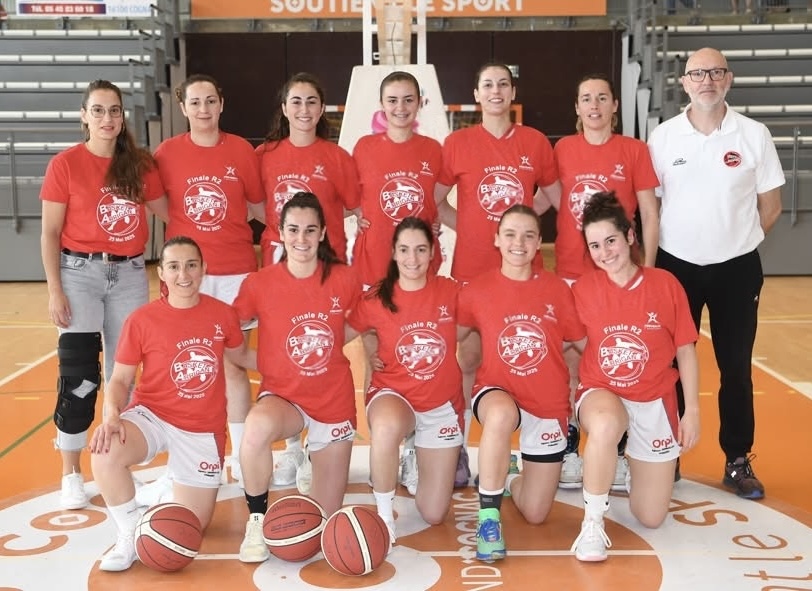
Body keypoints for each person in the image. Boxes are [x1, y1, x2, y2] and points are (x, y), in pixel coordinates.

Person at [648, 47, 784, 500]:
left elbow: (771, 206)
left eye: (715, 72)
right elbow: (652, 208)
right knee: (668, 367)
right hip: (675, 268)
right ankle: (667, 455)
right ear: (684, 83)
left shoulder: (754, 134)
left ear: (729, 79)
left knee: (736, 368)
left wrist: (736, 243)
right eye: (697, 74)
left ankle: (737, 459)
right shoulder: (663, 137)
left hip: (736, 270)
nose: (706, 80)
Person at [40, 79, 168, 511]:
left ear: (122, 116)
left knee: (123, 376)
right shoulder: (65, 164)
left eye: (114, 110)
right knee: (79, 376)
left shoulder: (139, 165)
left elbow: (172, 214)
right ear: (84, 116)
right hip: (79, 273)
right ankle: (71, 472)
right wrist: (55, 289)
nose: (107, 118)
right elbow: (50, 232)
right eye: (98, 110)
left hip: (129, 274)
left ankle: (118, 467)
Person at [89, 236, 249, 572]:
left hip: (201, 429)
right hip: (153, 415)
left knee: (190, 528)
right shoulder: (142, 320)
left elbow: (242, 358)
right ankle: (128, 531)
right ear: (161, 272)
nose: (183, 274)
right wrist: (111, 414)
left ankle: (166, 489)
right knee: (105, 450)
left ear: (203, 269)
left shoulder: (223, 315)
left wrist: (293, 364)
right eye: (174, 266)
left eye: (191, 265)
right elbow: (120, 379)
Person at [435, 62, 560, 487]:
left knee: (524, 358)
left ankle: (523, 452)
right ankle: (457, 448)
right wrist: (471, 226)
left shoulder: (535, 142)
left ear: (512, 93)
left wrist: (521, 228)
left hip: (524, 274)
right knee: (469, 359)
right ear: (476, 94)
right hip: (472, 269)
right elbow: (436, 201)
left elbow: (554, 197)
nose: (495, 91)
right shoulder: (458, 144)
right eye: (487, 85)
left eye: (502, 84)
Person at [570, 191, 700, 562]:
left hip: (654, 398)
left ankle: (627, 466)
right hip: (603, 392)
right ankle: (593, 522)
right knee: (606, 424)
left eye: (611, 240)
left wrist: (692, 410)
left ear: (629, 236)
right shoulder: (583, 290)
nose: (604, 252)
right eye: (595, 245)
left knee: (651, 516)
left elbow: (685, 350)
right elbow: (571, 346)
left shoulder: (665, 285)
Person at [232, 192, 361, 563]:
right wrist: (267, 362)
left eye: (309, 230)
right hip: (284, 398)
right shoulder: (259, 284)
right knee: (256, 428)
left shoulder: (344, 278)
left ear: (322, 233)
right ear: (280, 232)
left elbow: (369, 321)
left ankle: (311, 452)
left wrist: (331, 345)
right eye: (293, 230)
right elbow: (227, 335)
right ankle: (257, 518)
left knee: (320, 524)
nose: (301, 238)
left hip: (333, 401)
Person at [546, 73, 660, 491]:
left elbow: (649, 213)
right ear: (577, 108)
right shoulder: (563, 149)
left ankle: (619, 448)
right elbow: (553, 200)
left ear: (615, 105)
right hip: (572, 272)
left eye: (601, 98)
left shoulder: (634, 150)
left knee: (619, 355)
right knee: (571, 360)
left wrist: (648, 268)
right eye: (586, 99)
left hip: (619, 273)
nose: (593, 105)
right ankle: (571, 446)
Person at [153, 74, 265, 488]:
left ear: (222, 104)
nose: (204, 109)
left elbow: (257, 207)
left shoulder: (241, 150)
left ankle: (238, 456)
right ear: (183, 108)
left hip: (235, 270)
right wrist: (189, 234)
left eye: (210, 101)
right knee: (187, 366)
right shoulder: (166, 153)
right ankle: (189, 458)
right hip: (186, 275)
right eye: (196, 102)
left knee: (233, 365)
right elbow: (163, 207)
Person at [457, 205, 585, 563]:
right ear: (497, 240)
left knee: (535, 512)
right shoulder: (476, 290)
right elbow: (445, 335)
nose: (519, 243)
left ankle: (509, 476)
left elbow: (582, 343)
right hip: (496, 391)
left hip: (547, 402)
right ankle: (488, 519)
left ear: (539, 242)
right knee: (499, 416)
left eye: (529, 235)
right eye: (511, 234)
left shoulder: (557, 290)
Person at [256, 73, 360, 486]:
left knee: (319, 345)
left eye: (311, 101)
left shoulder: (337, 157)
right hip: (279, 264)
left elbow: (353, 207)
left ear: (321, 109)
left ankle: (321, 438)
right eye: (295, 102)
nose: (303, 109)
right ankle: (292, 449)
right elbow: (255, 205)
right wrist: (280, 234)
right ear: (284, 109)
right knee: (282, 348)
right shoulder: (264, 155)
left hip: (324, 266)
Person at [347, 217, 463, 545]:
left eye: (421, 250)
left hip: (440, 405)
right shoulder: (376, 298)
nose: (412, 258)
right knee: (386, 428)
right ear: (394, 253)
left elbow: (487, 320)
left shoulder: (451, 292)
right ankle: (385, 517)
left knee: (434, 513)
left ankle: (414, 454)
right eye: (405, 250)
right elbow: (340, 333)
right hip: (394, 392)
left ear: (433, 253)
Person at [351, 71, 443, 288]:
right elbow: (348, 196)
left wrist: (434, 217)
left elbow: (437, 200)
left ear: (419, 103)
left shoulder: (434, 150)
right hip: (374, 259)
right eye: (392, 100)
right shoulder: (364, 147)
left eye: (408, 100)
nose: (400, 107)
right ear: (381, 104)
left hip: (418, 261)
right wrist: (358, 211)